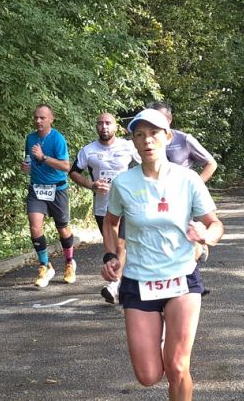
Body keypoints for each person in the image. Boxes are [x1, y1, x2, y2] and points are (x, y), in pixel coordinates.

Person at [101, 108, 224, 400]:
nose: (147, 140)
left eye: (154, 133)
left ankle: (172, 349)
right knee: (148, 376)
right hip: (139, 281)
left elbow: (215, 224)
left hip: (181, 278)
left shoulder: (188, 179)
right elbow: (110, 222)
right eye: (140, 135)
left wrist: (206, 237)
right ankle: (161, 337)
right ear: (133, 141)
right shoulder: (123, 183)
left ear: (168, 137)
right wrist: (111, 256)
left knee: (178, 366)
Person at [69, 113, 140, 303]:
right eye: (100, 123)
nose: (104, 126)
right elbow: (73, 172)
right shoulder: (88, 150)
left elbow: (147, 166)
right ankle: (123, 281)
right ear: (96, 127)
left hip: (127, 205)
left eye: (108, 123)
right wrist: (91, 184)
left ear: (116, 127)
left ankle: (114, 285)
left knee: (121, 245)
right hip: (103, 207)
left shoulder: (128, 146)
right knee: (112, 248)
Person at [147, 101, 217, 264]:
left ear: (169, 119)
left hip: (182, 197)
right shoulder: (144, 142)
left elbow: (211, 163)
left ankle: (192, 264)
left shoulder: (184, 139)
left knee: (186, 241)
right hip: (155, 195)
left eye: (159, 118)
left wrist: (194, 185)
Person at [21, 104, 76, 287]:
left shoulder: (58, 139)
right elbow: (30, 162)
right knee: (35, 226)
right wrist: (26, 167)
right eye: (36, 117)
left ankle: (69, 262)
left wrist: (43, 157)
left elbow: (66, 166)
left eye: (42, 118)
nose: (38, 121)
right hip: (37, 189)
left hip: (57, 189)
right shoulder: (30, 138)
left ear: (51, 119)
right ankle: (45, 266)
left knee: (63, 228)